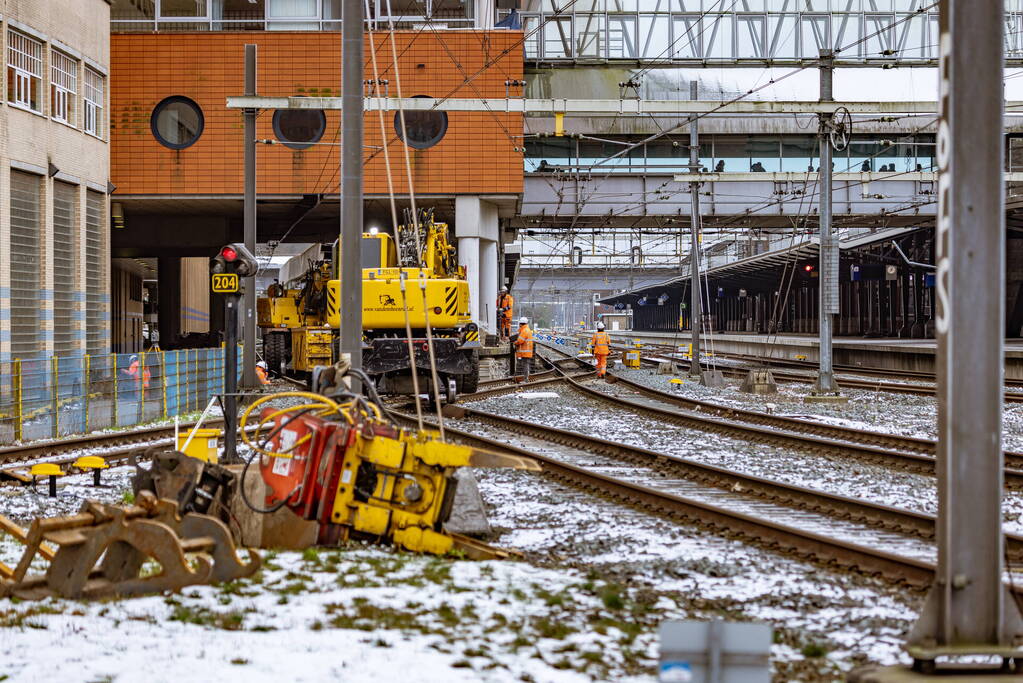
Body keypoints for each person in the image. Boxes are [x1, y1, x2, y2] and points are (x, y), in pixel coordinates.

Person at [513, 316, 533, 381]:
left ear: (521, 324)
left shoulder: (524, 331)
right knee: (525, 365)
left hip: (524, 352)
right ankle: (523, 378)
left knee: (525, 366)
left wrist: (515, 343)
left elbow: (520, 341)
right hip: (526, 352)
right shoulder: (527, 330)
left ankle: (525, 379)